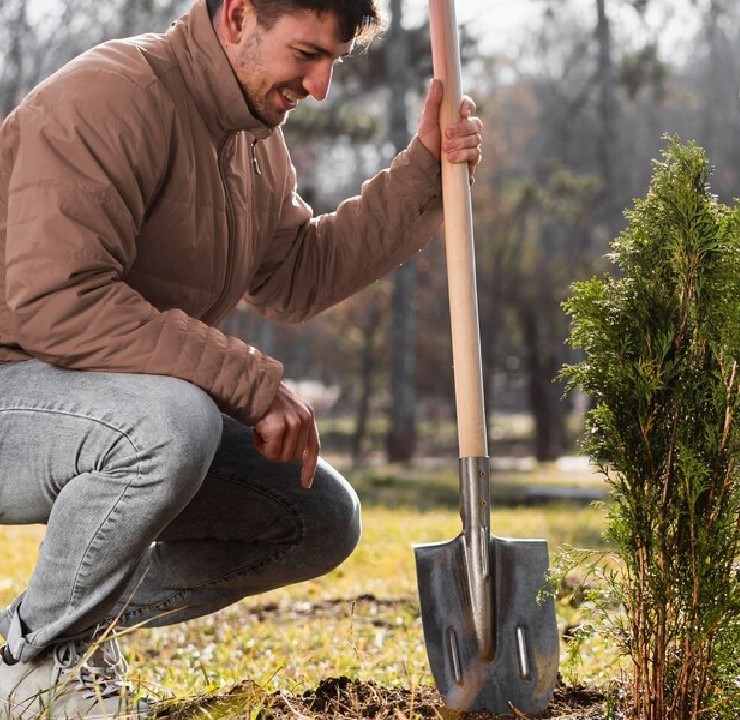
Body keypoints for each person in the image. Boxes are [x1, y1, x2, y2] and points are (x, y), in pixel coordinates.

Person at [0, 0, 482, 715]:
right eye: (305, 54)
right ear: (235, 16)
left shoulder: (251, 139)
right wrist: (248, 384)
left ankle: (56, 630)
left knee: (314, 513)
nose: (319, 86)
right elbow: (55, 300)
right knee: (174, 421)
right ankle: (35, 660)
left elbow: (295, 275)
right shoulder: (109, 97)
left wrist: (422, 173)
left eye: (333, 63)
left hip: (97, 406)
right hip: (16, 393)